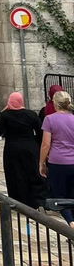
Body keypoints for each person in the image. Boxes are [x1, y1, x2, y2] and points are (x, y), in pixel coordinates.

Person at [0, 92, 46, 209]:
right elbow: (41, 132)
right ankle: (36, 201)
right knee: (32, 172)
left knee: (15, 174)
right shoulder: (31, 114)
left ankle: (17, 201)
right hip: (30, 148)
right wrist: (37, 143)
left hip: (13, 149)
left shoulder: (6, 115)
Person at [39, 91, 74, 227]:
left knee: (60, 197)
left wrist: (41, 163)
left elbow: (46, 144)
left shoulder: (49, 119)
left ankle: (71, 224)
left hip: (57, 162)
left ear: (55, 103)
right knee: (72, 197)